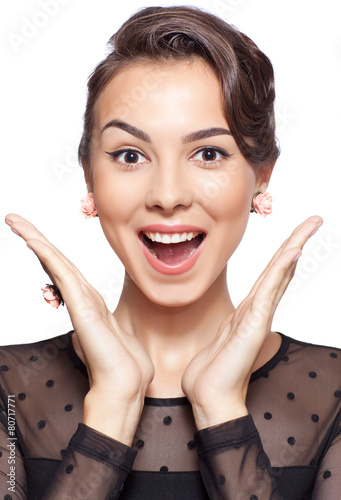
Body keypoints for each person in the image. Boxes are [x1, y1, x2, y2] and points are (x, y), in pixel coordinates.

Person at [1, 5, 340, 499]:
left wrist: (222, 412)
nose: (167, 194)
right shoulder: (9, 391)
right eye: (130, 156)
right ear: (89, 176)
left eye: (208, 154)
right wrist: (111, 412)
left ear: (261, 174)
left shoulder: (333, 394)